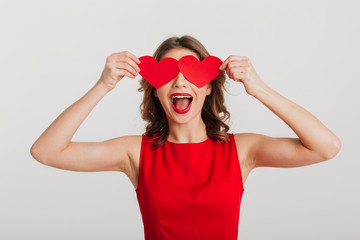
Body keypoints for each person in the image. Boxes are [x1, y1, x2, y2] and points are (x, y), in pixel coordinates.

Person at [30, 35, 341, 240]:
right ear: (155, 88)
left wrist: (258, 88)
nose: (180, 81)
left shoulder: (241, 150)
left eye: (192, 73)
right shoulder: (135, 153)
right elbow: (46, 151)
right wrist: (103, 85)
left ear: (208, 86)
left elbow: (326, 147)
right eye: (167, 73)